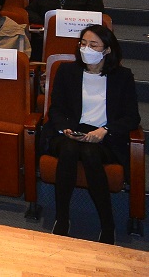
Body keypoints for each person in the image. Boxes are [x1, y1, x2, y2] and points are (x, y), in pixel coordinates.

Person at [45, 25, 140, 243]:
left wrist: (105, 131)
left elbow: (131, 117)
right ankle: (62, 218)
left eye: (93, 45)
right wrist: (65, 128)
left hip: (103, 135)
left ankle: (107, 225)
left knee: (89, 153)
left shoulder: (122, 77)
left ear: (107, 50)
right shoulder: (67, 71)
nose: (86, 48)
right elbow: (56, 109)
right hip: (70, 130)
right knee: (69, 149)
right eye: (83, 44)